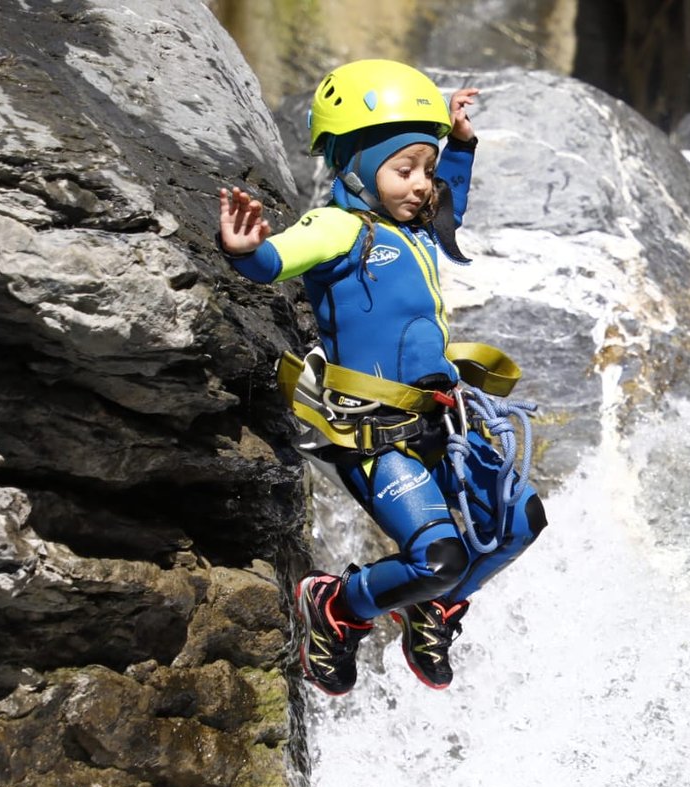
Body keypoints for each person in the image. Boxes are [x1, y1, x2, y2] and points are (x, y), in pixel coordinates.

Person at [218, 59, 547, 696]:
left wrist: (457, 145)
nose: (422, 185)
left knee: (520, 521)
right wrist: (246, 249)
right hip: (375, 436)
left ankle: (435, 606)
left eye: (425, 170)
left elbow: (452, 201)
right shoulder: (340, 228)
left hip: (439, 422)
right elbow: (279, 259)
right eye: (405, 170)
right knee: (439, 558)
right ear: (354, 169)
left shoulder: (416, 231)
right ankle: (339, 607)